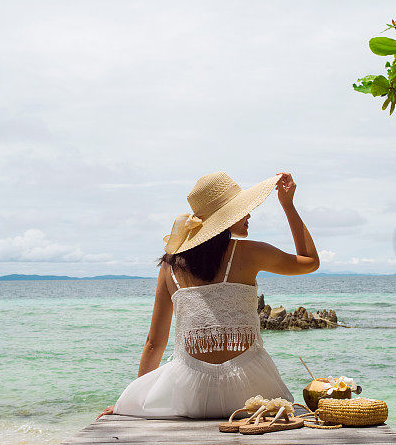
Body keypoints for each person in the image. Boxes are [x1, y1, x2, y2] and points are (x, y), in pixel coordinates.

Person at [97, 171, 319, 419]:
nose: (248, 214)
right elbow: (310, 262)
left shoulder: (170, 266)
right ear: (226, 218)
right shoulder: (250, 252)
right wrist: (288, 205)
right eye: (241, 209)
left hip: (191, 395)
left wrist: (132, 401)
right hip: (249, 392)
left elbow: (154, 342)